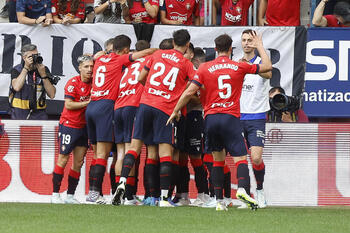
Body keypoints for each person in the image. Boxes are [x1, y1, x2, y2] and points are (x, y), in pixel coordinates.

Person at [167, 32, 272, 211]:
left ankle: (219, 201)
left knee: (217, 160)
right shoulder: (238, 66)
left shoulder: (204, 68)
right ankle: (241, 189)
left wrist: (175, 110)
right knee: (240, 158)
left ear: (215, 49)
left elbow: (188, 92)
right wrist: (260, 45)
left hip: (210, 119)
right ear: (231, 49)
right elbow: (268, 66)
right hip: (230, 117)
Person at [113, 29, 196, 207]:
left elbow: (141, 77)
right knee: (165, 154)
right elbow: (193, 89)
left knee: (134, 148)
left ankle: (122, 183)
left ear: (173, 42)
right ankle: (164, 199)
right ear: (187, 45)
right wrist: (175, 101)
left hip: (145, 104)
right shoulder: (186, 63)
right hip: (165, 109)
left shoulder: (157, 54)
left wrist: (152, 91)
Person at [85, 34, 156, 203]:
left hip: (93, 105)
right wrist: (157, 51)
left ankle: (101, 192)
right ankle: (115, 195)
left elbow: (96, 56)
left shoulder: (100, 60)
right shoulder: (122, 60)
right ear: (125, 50)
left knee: (103, 154)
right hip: (108, 106)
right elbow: (141, 55)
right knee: (116, 153)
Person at [51, 55, 93, 204]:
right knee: (63, 158)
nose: (90, 69)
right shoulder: (72, 83)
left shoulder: (95, 83)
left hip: (84, 127)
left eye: (91, 66)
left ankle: (70, 195)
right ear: (80, 68)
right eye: (86, 66)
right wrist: (89, 102)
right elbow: (68, 105)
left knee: (79, 162)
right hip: (69, 125)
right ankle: (55, 194)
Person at [113, 40, 151, 205]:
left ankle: (118, 192)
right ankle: (128, 195)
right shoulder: (148, 62)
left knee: (120, 153)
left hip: (118, 106)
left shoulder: (128, 66)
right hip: (133, 106)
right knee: (131, 151)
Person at [239, 29, 272, 209]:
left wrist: (260, 47)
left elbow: (268, 74)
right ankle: (247, 194)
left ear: (255, 42)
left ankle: (259, 190)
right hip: (238, 116)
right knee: (241, 159)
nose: (246, 43)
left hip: (257, 116)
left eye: (250, 40)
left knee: (256, 158)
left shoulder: (262, 62)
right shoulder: (237, 62)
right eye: (244, 40)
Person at [9, 44, 56, 120]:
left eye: (37, 55)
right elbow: (16, 87)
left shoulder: (43, 69)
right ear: (24, 57)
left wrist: (43, 75)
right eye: (32, 56)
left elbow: (52, 94)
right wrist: (26, 68)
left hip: (39, 114)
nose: (35, 58)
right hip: (19, 113)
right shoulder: (17, 70)